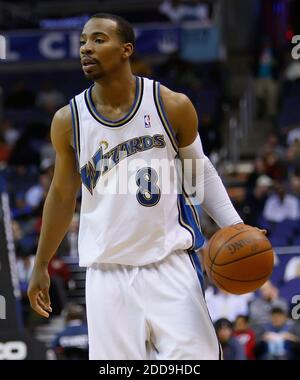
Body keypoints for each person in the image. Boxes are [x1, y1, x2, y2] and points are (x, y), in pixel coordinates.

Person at [28, 13, 253, 360]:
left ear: (126, 50)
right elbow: (60, 195)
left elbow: (199, 175)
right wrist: (41, 263)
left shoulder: (171, 105)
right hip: (108, 273)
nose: (87, 48)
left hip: (169, 264)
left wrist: (236, 227)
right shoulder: (68, 120)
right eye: (83, 42)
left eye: (99, 39)